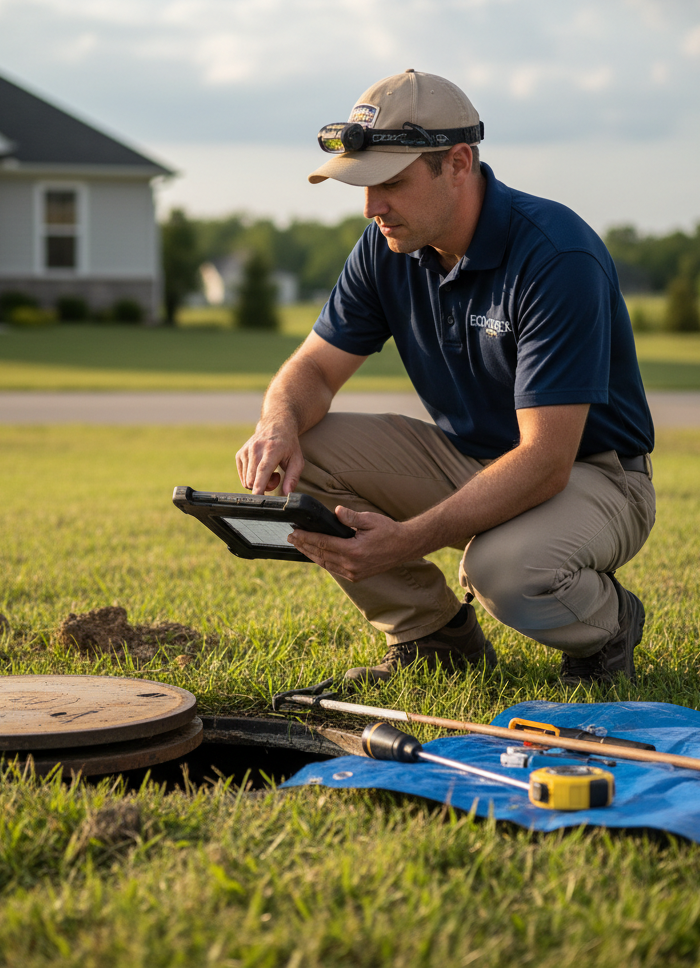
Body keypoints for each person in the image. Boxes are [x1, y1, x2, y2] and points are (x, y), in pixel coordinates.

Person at [236, 69, 655, 687]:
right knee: (305, 448)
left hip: (595, 474)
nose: (374, 206)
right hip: (470, 457)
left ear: (458, 163)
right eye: (363, 186)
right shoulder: (386, 245)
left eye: (391, 183)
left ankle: (609, 624)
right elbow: (313, 371)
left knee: (503, 572)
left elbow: (545, 461)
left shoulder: (555, 255)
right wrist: (277, 424)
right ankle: (434, 639)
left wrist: (405, 539)